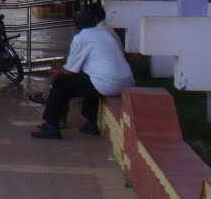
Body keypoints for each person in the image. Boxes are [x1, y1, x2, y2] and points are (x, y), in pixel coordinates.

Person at [31, 7, 134, 140]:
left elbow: (70, 71)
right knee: (89, 82)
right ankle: (91, 124)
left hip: (108, 84)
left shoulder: (82, 38)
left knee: (61, 82)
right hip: (126, 81)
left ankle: (51, 125)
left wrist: (57, 70)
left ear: (75, 25)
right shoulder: (105, 33)